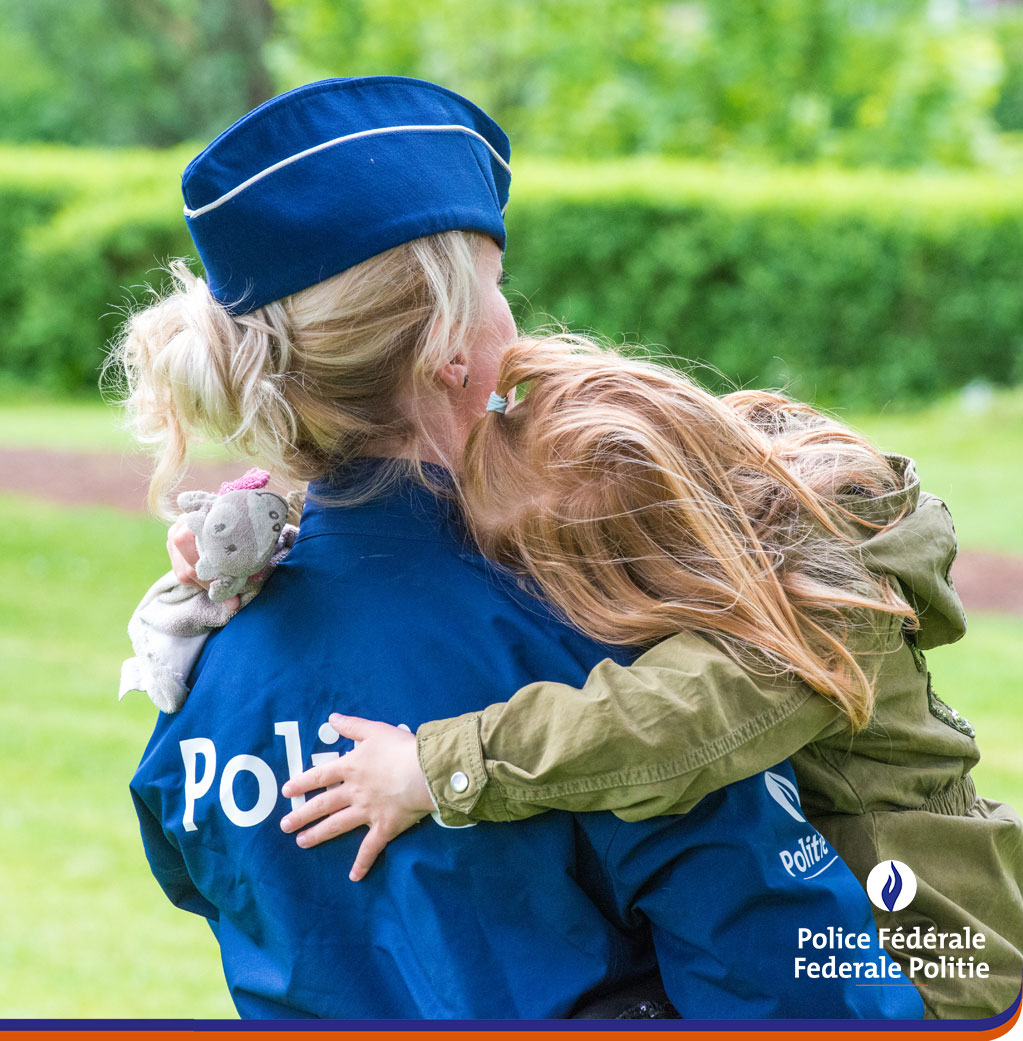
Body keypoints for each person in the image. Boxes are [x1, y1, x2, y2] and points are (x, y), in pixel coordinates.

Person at [117, 76, 921, 1021]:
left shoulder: (204, 665)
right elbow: (802, 991)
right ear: (451, 348)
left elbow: (202, 874)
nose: (517, 326)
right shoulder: (607, 637)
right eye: (497, 293)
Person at [254, 337, 1023, 1020]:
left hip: (934, 960)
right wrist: (278, 533)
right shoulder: (726, 510)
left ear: (656, 568)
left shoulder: (804, 631)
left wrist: (437, 767)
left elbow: (656, 722)